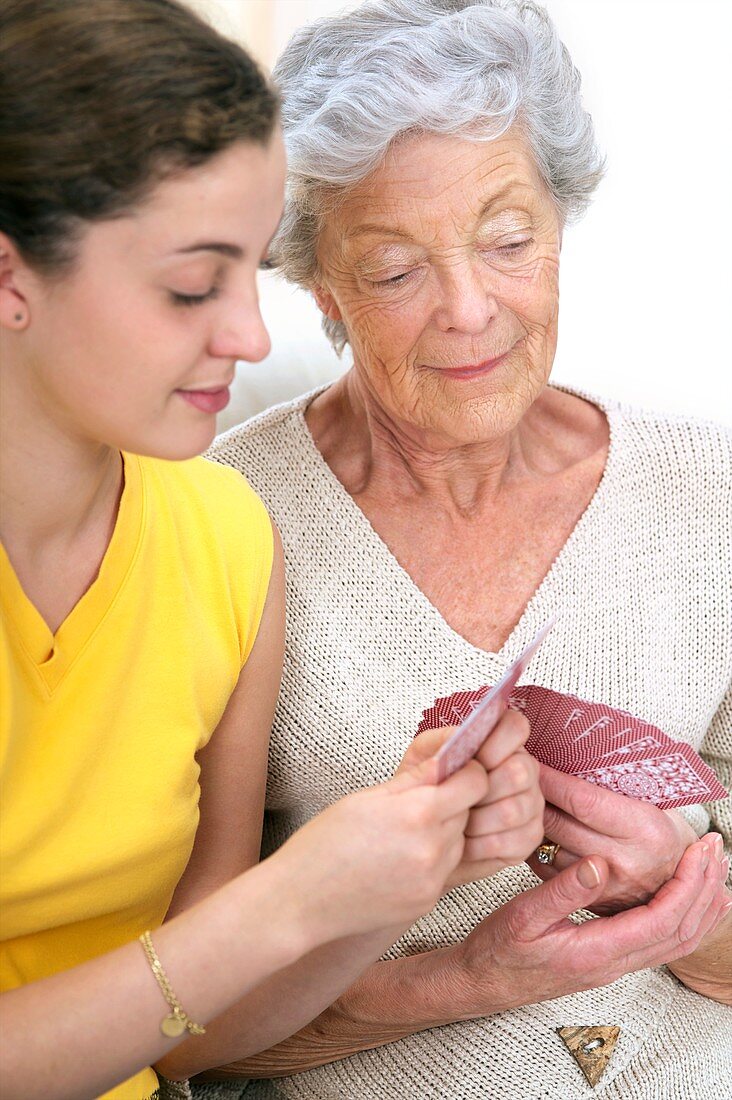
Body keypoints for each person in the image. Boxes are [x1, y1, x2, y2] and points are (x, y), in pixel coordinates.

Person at [0, 2, 550, 1098]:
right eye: (192, 285)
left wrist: (385, 884)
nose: (252, 336)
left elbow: (186, 1032)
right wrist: (291, 894)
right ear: (11, 277)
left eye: (252, 272)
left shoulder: (224, 532)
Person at [199, 1, 732, 1097]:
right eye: (394, 268)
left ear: (560, 224)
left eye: (507, 240)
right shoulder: (220, 521)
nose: (468, 308)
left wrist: (674, 900)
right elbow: (177, 1018)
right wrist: (465, 975)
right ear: (319, 283)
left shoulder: (710, 494)